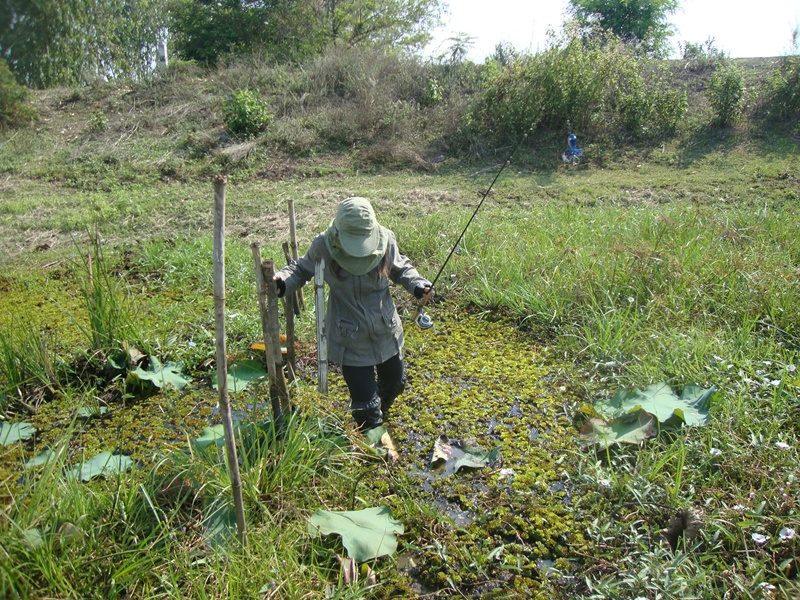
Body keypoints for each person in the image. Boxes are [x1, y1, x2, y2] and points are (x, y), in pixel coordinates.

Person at [274, 197, 432, 431]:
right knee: (366, 406)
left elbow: (401, 268)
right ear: (339, 231)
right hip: (349, 334)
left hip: (385, 329)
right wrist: (281, 281)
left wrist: (418, 284)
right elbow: (301, 269)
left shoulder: (386, 239)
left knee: (396, 382)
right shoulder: (324, 245)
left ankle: (378, 413)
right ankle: (371, 433)